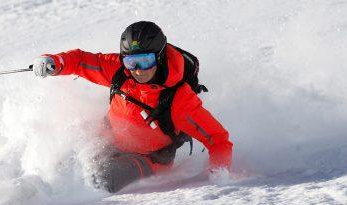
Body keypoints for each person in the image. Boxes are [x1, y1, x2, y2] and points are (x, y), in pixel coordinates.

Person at [33, 21, 233, 193]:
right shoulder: (121, 72)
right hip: (108, 140)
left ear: (160, 56)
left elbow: (217, 139)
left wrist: (218, 174)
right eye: (131, 62)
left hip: (147, 159)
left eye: (145, 61)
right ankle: (34, 194)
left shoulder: (179, 99)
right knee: (63, 164)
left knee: (101, 179)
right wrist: (55, 62)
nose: (137, 70)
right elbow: (82, 61)